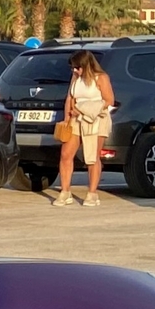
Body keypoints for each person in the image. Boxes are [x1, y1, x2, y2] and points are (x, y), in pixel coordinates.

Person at [54, 50, 114, 206]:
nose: (74, 70)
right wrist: (67, 118)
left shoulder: (101, 78)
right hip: (75, 119)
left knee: (92, 156)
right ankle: (65, 191)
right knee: (66, 154)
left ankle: (92, 193)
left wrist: (85, 108)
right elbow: (70, 98)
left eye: (77, 67)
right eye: (73, 67)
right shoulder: (75, 78)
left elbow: (109, 100)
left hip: (96, 120)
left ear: (86, 65)